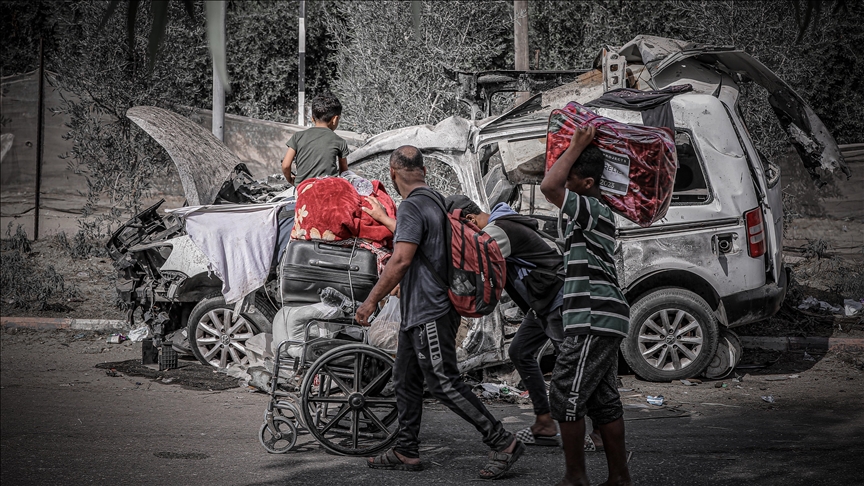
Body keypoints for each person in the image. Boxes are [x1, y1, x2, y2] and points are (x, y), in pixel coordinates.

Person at [355, 145, 525, 480]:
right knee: (405, 378)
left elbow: (401, 258)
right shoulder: (433, 198)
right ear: (424, 170)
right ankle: (406, 449)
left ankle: (502, 441)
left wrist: (371, 300)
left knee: (442, 380)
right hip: (419, 309)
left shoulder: (412, 207)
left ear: (391, 173)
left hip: (430, 310)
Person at [539, 125, 633, 486]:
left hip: (593, 316)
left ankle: (575, 477)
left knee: (564, 393)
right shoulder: (591, 210)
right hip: (600, 315)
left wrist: (577, 144)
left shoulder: (590, 207)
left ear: (588, 183)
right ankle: (619, 477)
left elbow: (550, 186)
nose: (566, 185)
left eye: (572, 180)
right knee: (602, 400)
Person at [443, 194, 567, 447]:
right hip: (542, 302)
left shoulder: (496, 230)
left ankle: (595, 429)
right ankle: (544, 422)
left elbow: (472, 263)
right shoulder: (499, 225)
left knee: (572, 362)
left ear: (469, 220)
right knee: (520, 351)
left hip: (557, 299)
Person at [281, 94, 349, 185]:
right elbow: (344, 173)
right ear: (335, 119)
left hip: (303, 190)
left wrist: (290, 179)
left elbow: (285, 165)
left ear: (312, 118)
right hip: (329, 191)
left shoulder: (298, 136)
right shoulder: (340, 141)